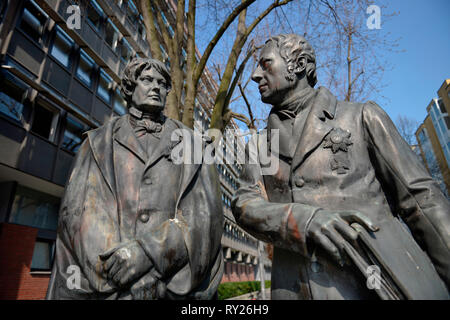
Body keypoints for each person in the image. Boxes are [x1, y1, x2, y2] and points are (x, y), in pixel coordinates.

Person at [232, 34, 450, 299]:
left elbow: (421, 201)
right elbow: (244, 204)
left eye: (265, 64)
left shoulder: (361, 117)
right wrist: (302, 220)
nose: (255, 75)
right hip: (294, 289)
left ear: (298, 64)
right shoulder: (257, 145)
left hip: (377, 283)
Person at [46, 58, 223, 299]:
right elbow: (78, 212)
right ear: (130, 87)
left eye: (162, 83)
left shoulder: (195, 146)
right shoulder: (97, 143)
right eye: (147, 80)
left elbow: (206, 215)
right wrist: (117, 269)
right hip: (110, 285)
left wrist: (150, 254)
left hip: (172, 285)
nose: (156, 87)